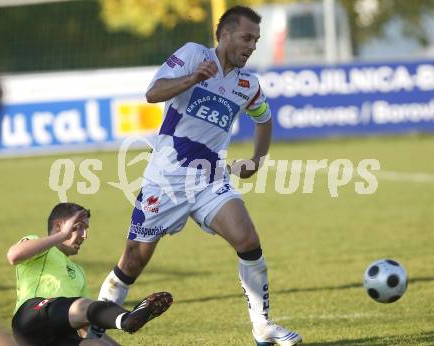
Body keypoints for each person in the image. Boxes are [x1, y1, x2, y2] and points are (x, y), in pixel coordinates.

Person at [95, 5, 302, 346]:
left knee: (247, 239)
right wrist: (193, 78)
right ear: (224, 35)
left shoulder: (248, 84)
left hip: (210, 178)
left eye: (256, 40)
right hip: (167, 178)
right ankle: (95, 329)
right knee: (133, 260)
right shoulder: (194, 55)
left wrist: (256, 160)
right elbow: (152, 93)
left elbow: (264, 119)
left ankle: (263, 328)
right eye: (246, 38)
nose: (251, 46)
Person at [7, 203, 173, 346]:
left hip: (60, 335)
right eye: (79, 227)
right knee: (81, 305)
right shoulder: (39, 246)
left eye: (86, 229)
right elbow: (14, 256)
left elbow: (88, 323)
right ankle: (126, 319)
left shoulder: (79, 273)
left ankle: (126, 319)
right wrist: (62, 236)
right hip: (32, 318)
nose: (85, 236)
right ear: (59, 226)